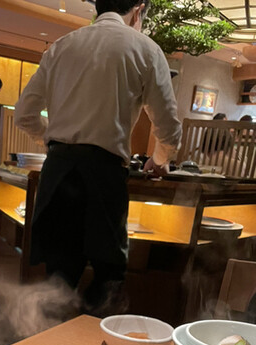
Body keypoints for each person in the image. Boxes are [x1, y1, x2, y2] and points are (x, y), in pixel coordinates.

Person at [14, 0, 181, 314]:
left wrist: (55, 143)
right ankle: (93, 340)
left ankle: (52, 341)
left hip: (58, 173)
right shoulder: (145, 49)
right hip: (103, 175)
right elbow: (169, 127)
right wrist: (159, 160)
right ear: (139, 9)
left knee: (58, 280)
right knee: (108, 279)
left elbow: (23, 115)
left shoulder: (61, 46)